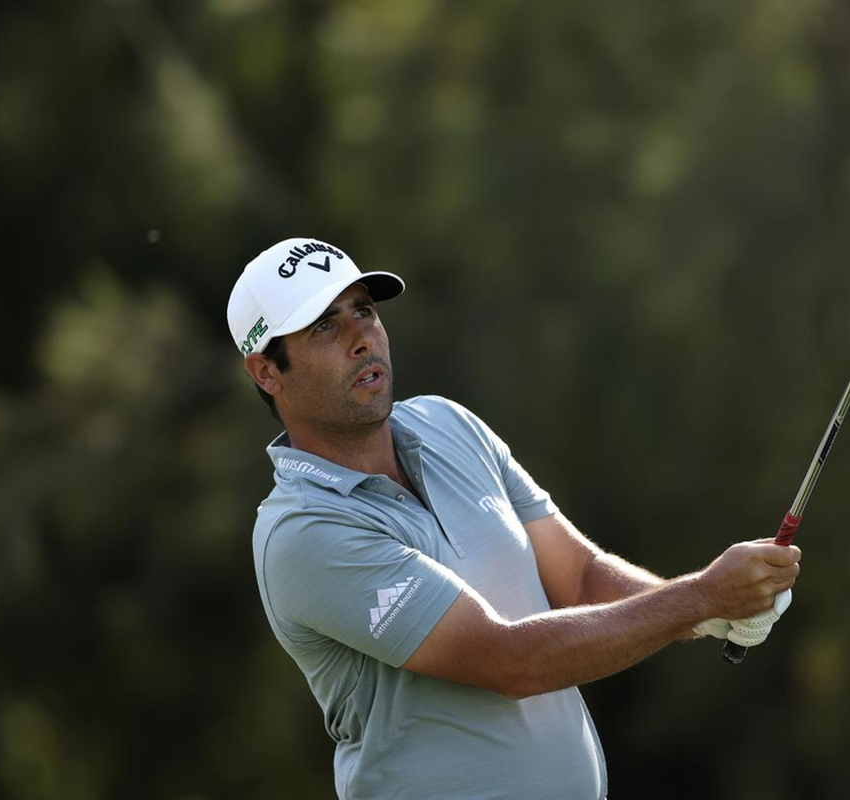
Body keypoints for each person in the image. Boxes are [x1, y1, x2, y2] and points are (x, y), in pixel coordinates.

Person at [227, 237, 802, 799]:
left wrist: (709, 614)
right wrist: (699, 597)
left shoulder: (449, 425)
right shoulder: (303, 532)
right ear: (267, 372)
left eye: (363, 310)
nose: (361, 339)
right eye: (324, 327)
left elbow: (580, 576)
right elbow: (511, 662)